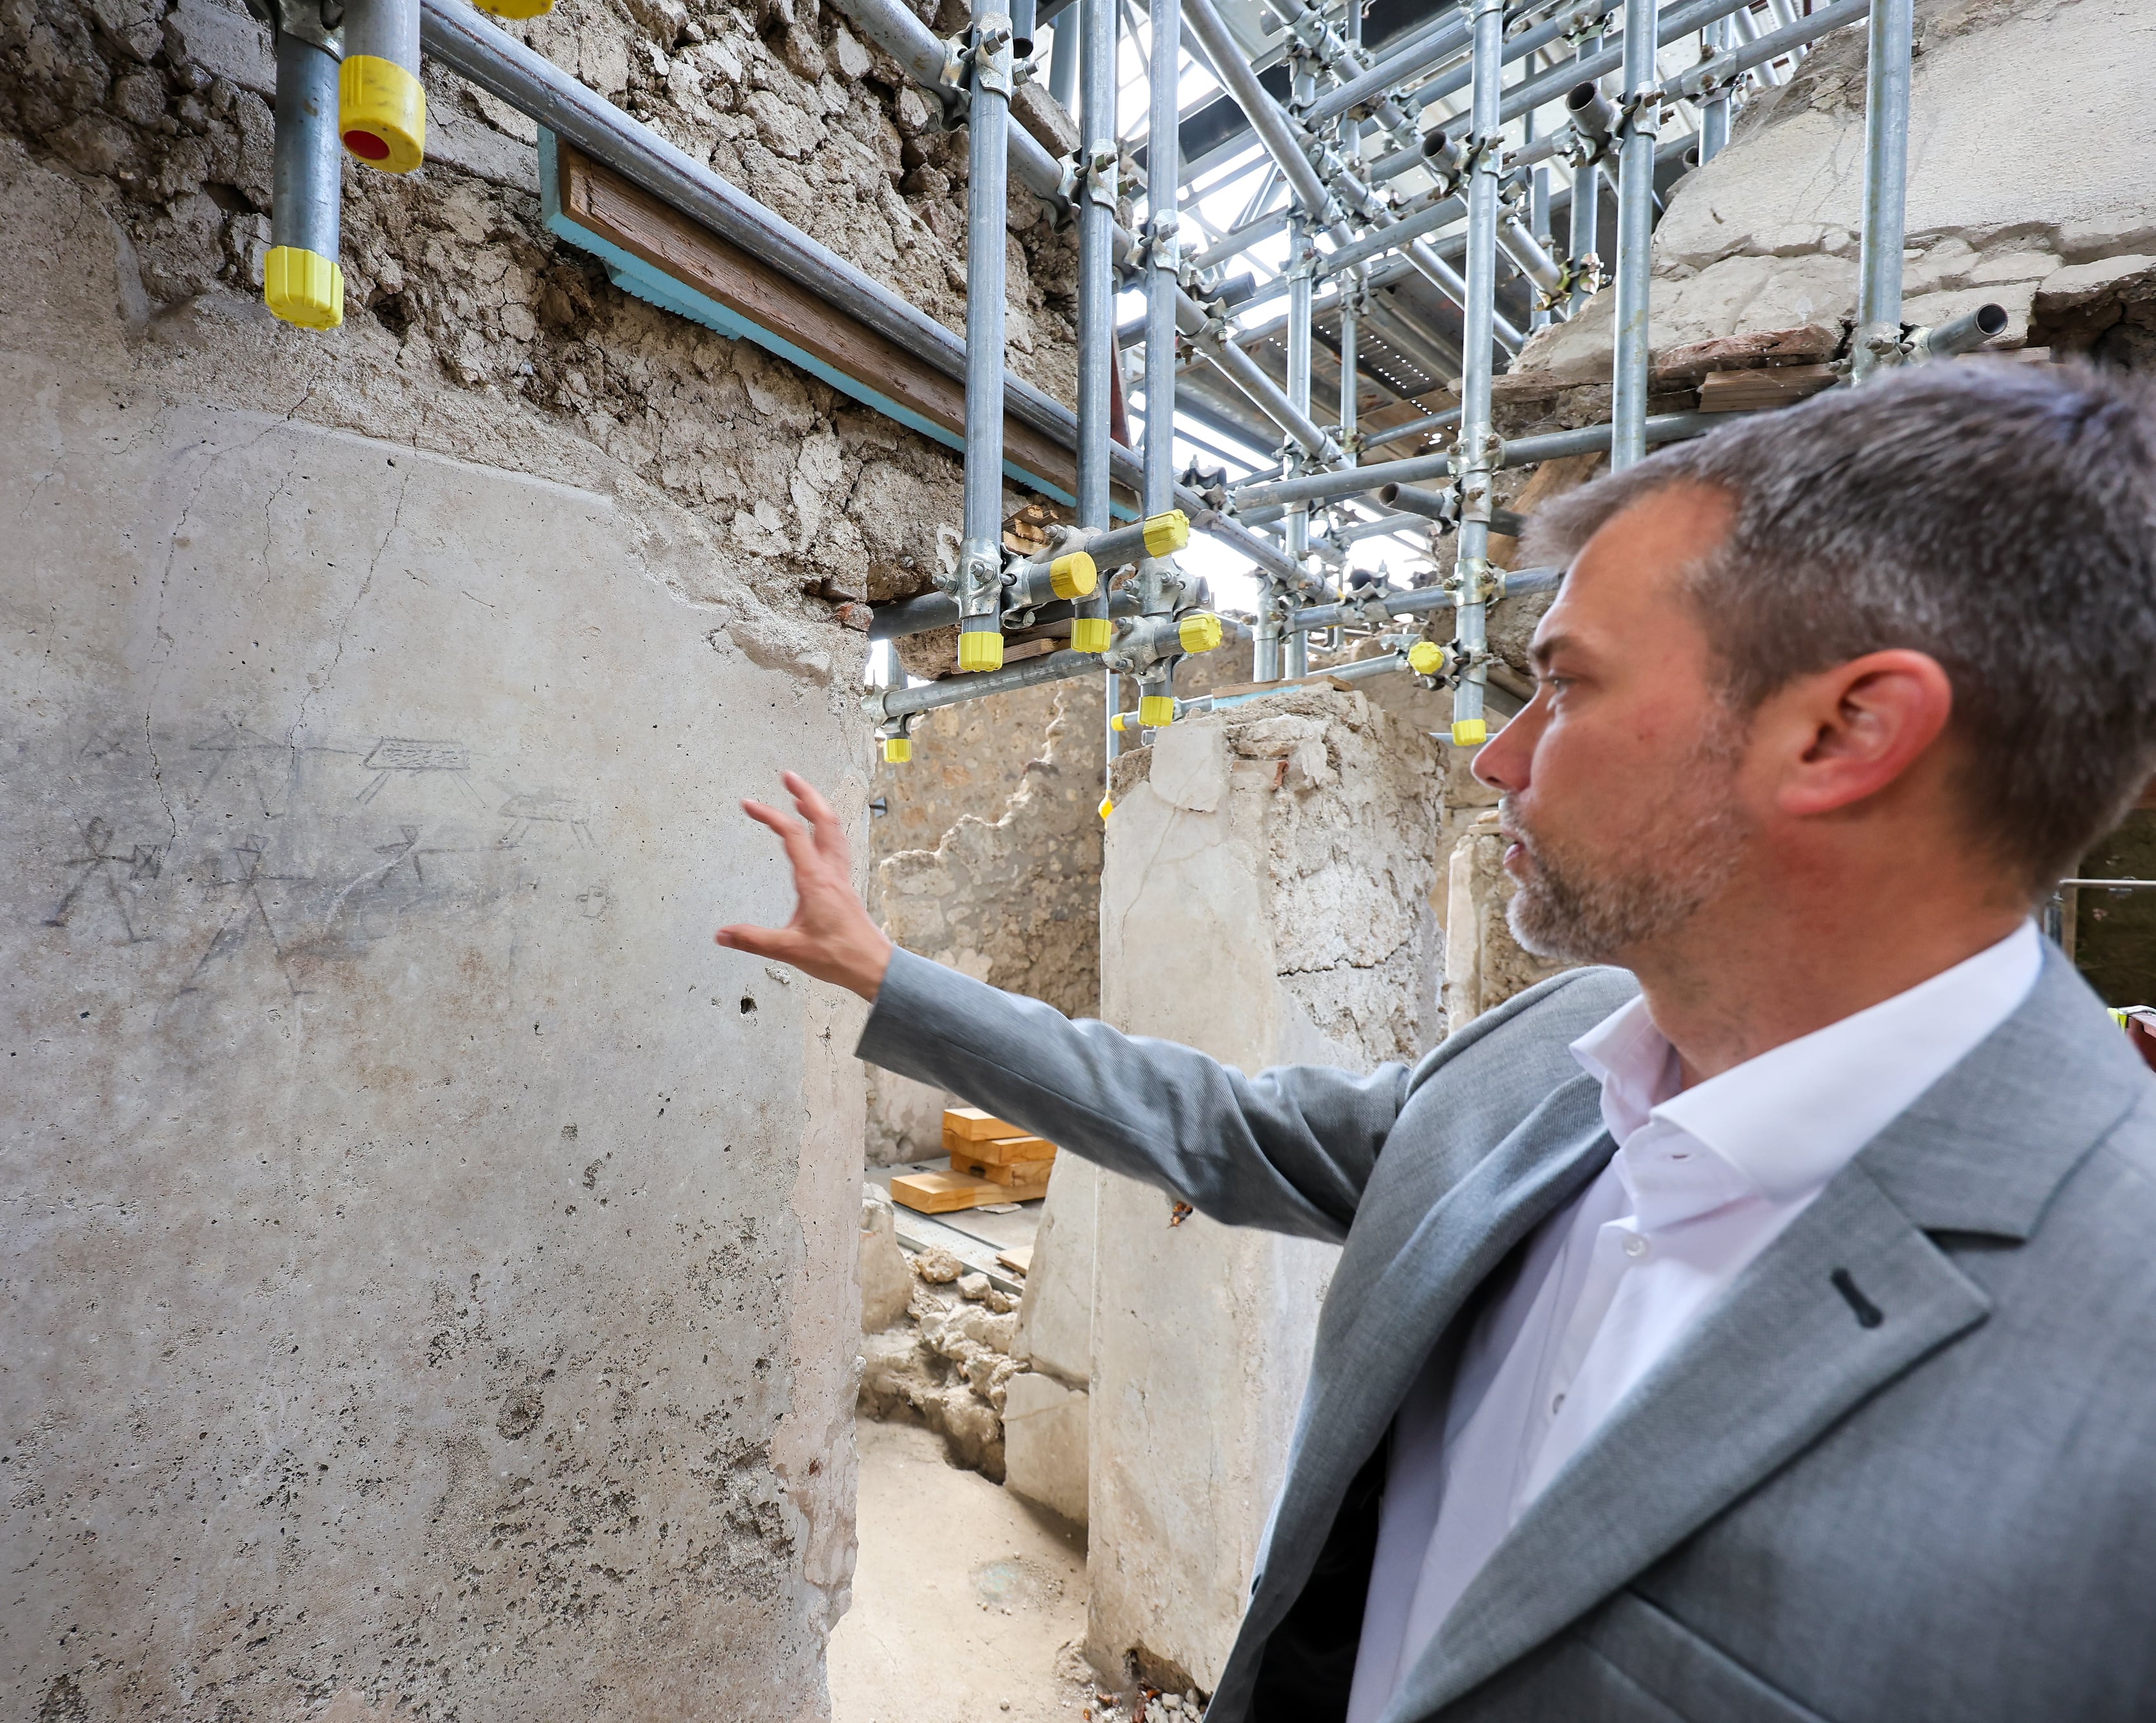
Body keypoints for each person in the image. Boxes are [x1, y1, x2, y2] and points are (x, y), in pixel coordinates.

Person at [720, 361, 2156, 1722]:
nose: (1498, 751)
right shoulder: (1554, 1047)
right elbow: (1221, 1127)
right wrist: (883, 971)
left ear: (1844, 733)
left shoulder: (2114, 1366)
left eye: (1569, 683)